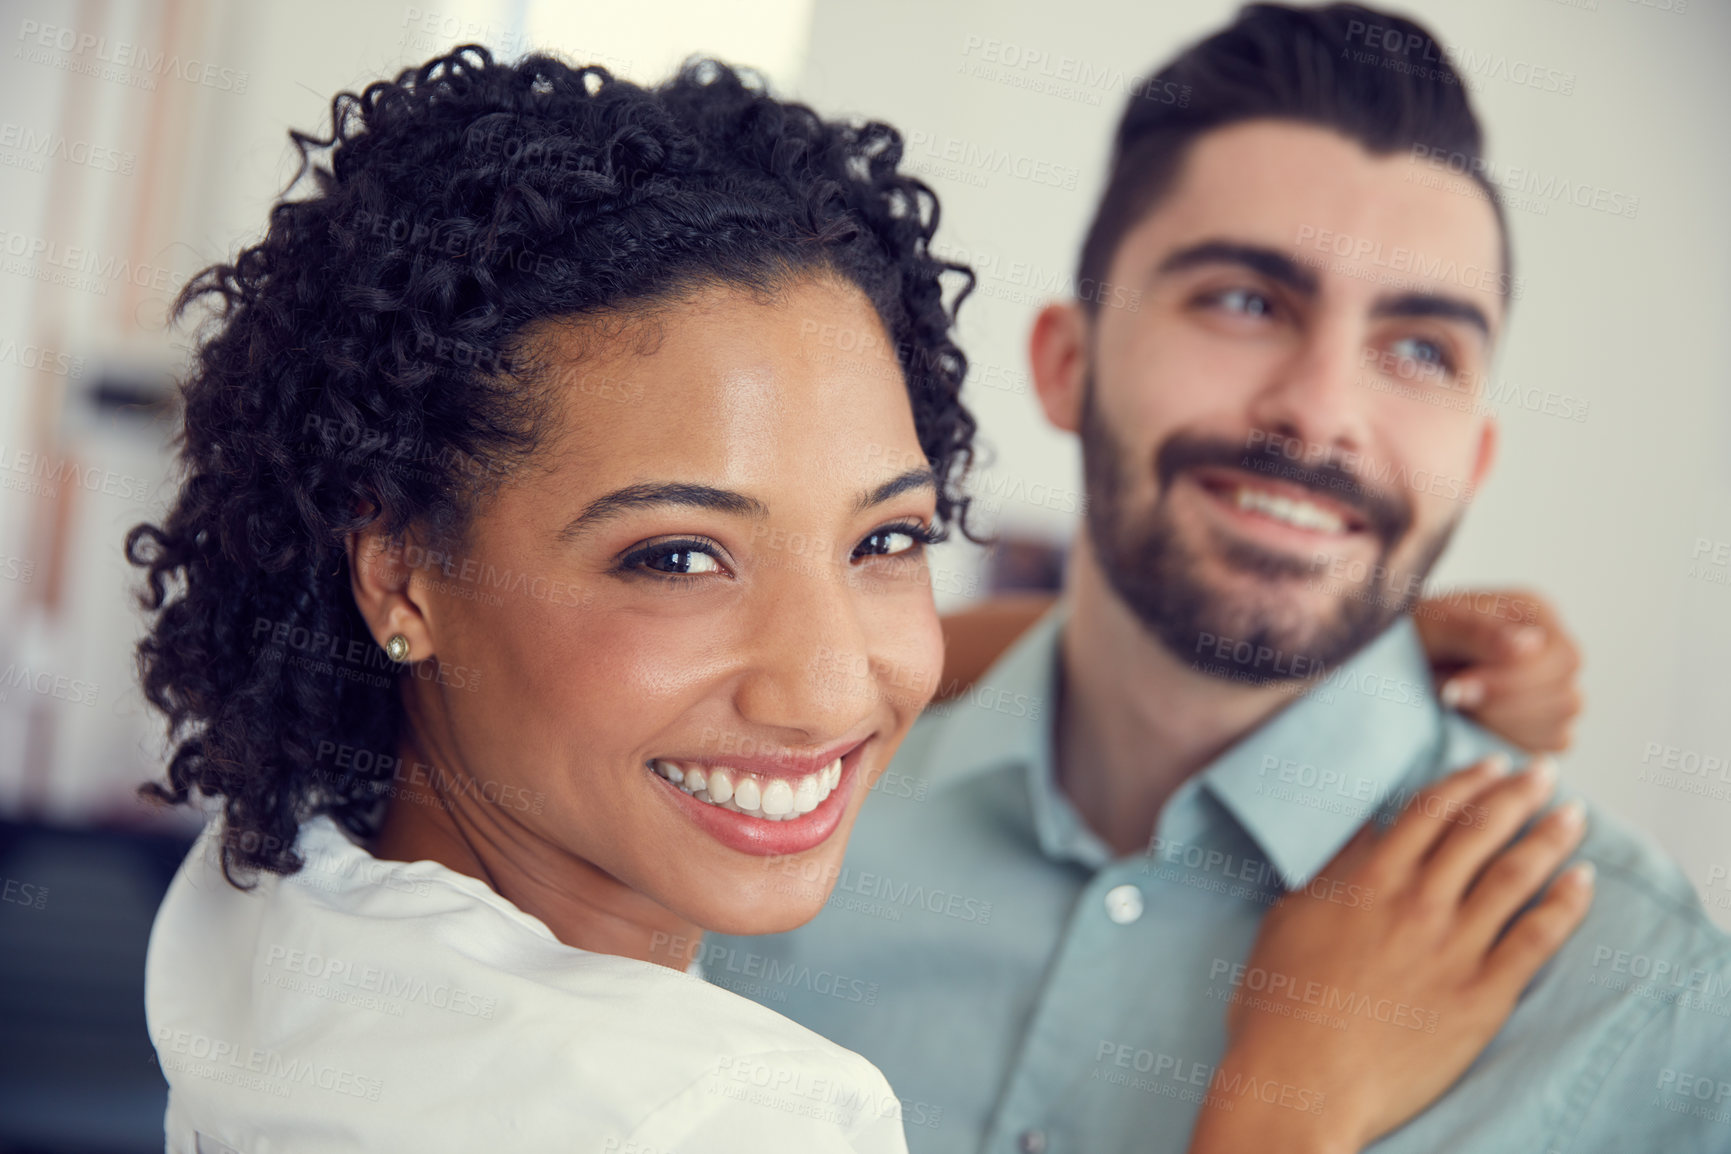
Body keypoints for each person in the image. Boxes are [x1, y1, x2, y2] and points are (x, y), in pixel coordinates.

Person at [130, 42, 1589, 1154]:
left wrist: (1289, 650)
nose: (832, 685)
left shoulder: (271, 888)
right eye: (676, 556)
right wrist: (1286, 1104)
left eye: (883, 539)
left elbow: (857, 657)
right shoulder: (721, 1112)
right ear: (399, 570)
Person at [711, 5, 1731, 1153]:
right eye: (1246, 301)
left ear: (1475, 459)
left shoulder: (1654, 1012)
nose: (1323, 408)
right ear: (1066, 363)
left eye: (1420, 349)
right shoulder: (760, 820)